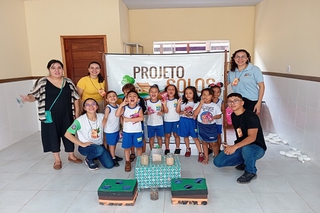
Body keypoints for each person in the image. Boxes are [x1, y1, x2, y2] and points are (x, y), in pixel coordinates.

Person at [21, 59, 82, 170]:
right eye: (53, 68)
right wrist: (27, 98)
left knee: (69, 134)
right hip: (50, 115)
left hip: (67, 114)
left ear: (62, 69)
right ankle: (57, 159)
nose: (56, 70)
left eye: (59, 67)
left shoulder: (68, 81)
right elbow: (33, 95)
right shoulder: (43, 82)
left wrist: (77, 114)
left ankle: (71, 155)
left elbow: (76, 97)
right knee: (52, 135)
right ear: (49, 70)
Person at [213, 93, 267, 183]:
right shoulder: (234, 115)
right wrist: (232, 146)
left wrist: (235, 147)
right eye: (230, 101)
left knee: (247, 149)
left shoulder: (251, 116)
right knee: (218, 162)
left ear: (242, 103)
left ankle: (250, 171)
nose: (232, 103)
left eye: (236, 101)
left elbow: (252, 138)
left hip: (257, 147)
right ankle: (246, 161)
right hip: (243, 146)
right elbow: (240, 133)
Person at [65, 98, 114, 171]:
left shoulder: (102, 116)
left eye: (93, 104)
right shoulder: (79, 120)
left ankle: (96, 154)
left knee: (109, 165)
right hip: (85, 147)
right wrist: (81, 143)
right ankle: (89, 159)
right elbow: (67, 134)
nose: (91, 106)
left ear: (97, 106)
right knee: (99, 150)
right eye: (87, 105)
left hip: (99, 145)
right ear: (84, 108)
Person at [228, 49, 265, 114]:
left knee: (250, 122)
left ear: (247, 58)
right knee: (239, 122)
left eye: (243, 57)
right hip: (238, 101)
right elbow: (225, 83)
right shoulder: (232, 71)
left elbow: (261, 86)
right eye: (237, 57)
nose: (240, 59)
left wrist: (259, 103)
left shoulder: (254, 69)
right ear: (234, 58)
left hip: (252, 100)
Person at [115, 90, 144, 172]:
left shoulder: (139, 108)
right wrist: (121, 105)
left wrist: (128, 119)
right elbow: (117, 115)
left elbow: (141, 118)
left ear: (138, 99)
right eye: (130, 96)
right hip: (127, 132)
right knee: (127, 148)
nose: (132, 97)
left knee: (138, 147)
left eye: (134, 96)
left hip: (137, 131)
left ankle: (139, 162)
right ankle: (127, 162)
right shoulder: (124, 108)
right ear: (126, 98)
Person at [194, 88, 222, 164]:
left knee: (214, 143)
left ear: (212, 97)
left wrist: (214, 117)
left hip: (212, 126)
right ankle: (206, 158)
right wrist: (201, 104)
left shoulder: (215, 106)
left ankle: (216, 157)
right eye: (203, 95)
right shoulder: (198, 104)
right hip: (201, 126)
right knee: (204, 142)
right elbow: (195, 114)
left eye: (208, 95)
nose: (205, 96)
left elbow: (219, 115)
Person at [176, 86, 203, 161]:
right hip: (183, 121)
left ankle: (200, 152)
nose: (188, 95)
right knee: (185, 136)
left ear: (194, 94)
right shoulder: (183, 102)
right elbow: (178, 111)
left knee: (195, 137)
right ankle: (188, 149)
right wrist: (178, 104)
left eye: (190, 93)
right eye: (186, 93)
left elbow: (196, 113)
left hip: (192, 122)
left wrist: (193, 114)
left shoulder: (197, 103)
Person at [121, 83, 146, 161]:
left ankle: (142, 154)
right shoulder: (124, 100)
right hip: (128, 127)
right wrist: (123, 123)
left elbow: (143, 111)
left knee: (140, 139)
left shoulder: (139, 100)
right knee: (129, 140)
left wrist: (134, 117)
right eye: (124, 93)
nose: (126, 94)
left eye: (127, 92)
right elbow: (121, 114)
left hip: (138, 125)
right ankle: (132, 153)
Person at [102, 91, 122, 167]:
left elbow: (119, 117)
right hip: (110, 130)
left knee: (114, 143)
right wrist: (101, 127)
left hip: (116, 129)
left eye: (114, 96)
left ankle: (113, 155)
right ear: (107, 99)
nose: (112, 97)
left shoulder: (118, 105)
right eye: (110, 97)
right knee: (111, 145)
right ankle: (113, 158)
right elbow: (105, 118)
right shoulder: (108, 108)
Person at [162, 84, 181, 155]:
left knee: (176, 135)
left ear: (175, 91)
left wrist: (178, 103)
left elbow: (178, 111)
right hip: (167, 121)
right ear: (166, 91)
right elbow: (165, 111)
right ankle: (167, 148)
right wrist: (164, 104)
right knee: (167, 135)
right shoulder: (164, 100)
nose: (171, 91)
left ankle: (177, 148)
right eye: (169, 89)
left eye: (173, 89)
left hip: (176, 120)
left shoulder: (177, 100)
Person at [146, 84, 164, 150]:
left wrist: (162, 112)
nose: (153, 93)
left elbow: (163, 110)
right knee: (151, 138)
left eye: (155, 92)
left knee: (159, 138)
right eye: (152, 92)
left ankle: (160, 150)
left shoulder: (160, 102)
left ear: (158, 93)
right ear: (149, 93)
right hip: (150, 124)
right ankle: (151, 151)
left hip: (159, 123)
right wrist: (147, 113)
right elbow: (144, 112)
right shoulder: (147, 102)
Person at [210, 82, 224, 154]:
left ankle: (218, 149)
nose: (216, 93)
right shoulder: (208, 101)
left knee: (218, 135)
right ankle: (210, 148)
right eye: (214, 92)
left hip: (218, 122)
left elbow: (223, 111)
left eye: (218, 92)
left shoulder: (221, 101)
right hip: (209, 122)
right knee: (209, 135)